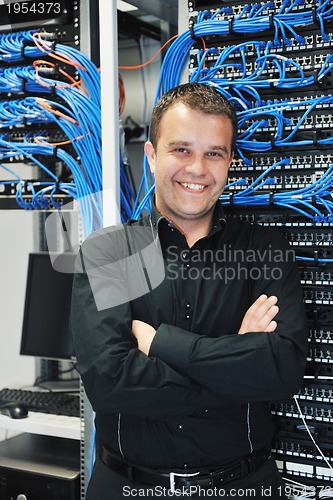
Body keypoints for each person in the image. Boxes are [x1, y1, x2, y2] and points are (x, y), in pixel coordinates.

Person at [70, 82, 308, 500]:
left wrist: (164, 344)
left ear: (230, 161)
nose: (198, 168)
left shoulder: (264, 251)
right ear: (152, 155)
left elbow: (283, 371)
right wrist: (237, 362)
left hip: (242, 487)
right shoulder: (111, 253)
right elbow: (109, 382)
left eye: (214, 152)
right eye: (181, 149)